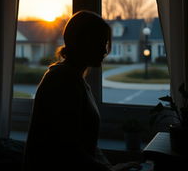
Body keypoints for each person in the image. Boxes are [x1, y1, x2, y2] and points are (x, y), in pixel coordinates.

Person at [22, 10, 141, 171]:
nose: (105, 51)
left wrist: (109, 168)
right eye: (101, 43)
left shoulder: (74, 78)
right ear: (84, 42)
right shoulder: (62, 80)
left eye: (105, 44)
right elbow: (67, 151)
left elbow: (85, 146)